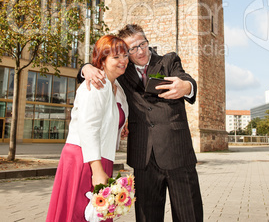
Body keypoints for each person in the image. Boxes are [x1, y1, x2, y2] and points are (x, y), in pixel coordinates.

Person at [78, 24, 203, 222]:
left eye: (143, 44)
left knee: (190, 216)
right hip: (143, 158)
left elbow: (186, 79)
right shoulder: (123, 70)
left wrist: (186, 86)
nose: (141, 51)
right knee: (147, 217)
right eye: (132, 49)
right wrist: (86, 68)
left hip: (178, 153)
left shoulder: (168, 60)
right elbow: (99, 66)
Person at [46, 35, 129, 222]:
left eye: (125, 56)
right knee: (79, 215)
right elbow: (88, 126)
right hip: (85, 159)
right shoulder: (97, 83)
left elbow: (107, 118)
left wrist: (121, 127)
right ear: (102, 59)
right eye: (116, 57)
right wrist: (97, 169)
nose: (123, 61)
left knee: (94, 214)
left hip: (98, 157)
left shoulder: (116, 87)